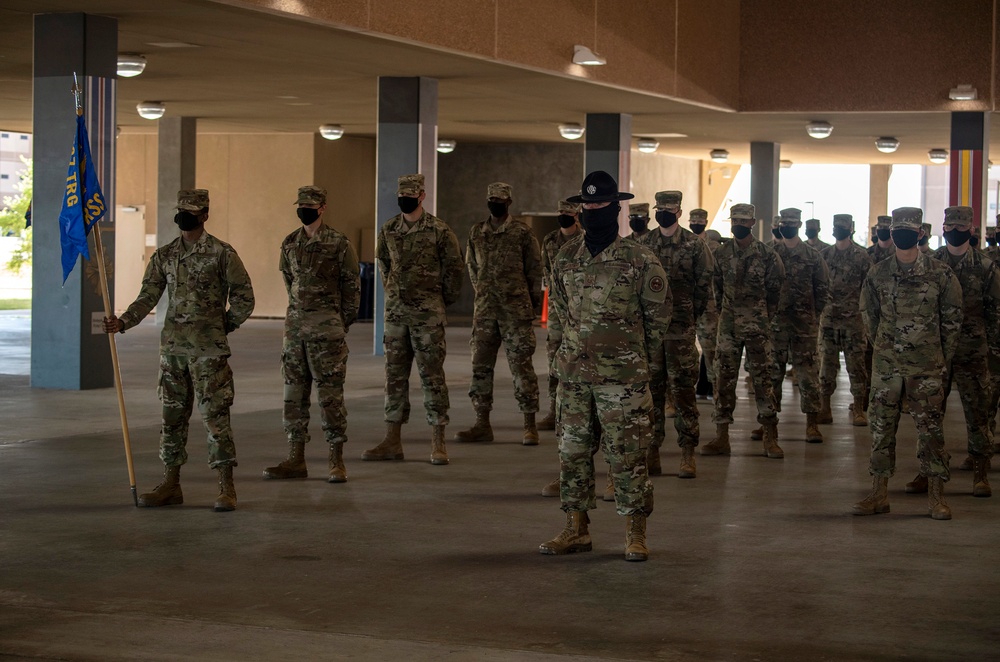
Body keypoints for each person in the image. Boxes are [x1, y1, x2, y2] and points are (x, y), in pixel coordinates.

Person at [540, 171, 670, 562]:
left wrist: (629, 358)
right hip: (574, 377)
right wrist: (561, 364)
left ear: (617, 207)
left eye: (601, 205)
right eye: (588, 205)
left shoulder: (640, 258)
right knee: (573, 453)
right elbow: (559, 319)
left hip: (623, 380)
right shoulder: (566, 258)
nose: (594, 210)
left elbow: (657, 319)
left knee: (628, 455)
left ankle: (635, 532)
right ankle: (576, 528)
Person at [103, 189, 255, 511]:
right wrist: (124, 321)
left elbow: (244, 296)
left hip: (208, 354)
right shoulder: (165, 255)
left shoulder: (221, 253)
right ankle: (171, 483)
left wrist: (221, 326)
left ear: (205, 215)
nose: (184, 216)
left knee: (215, 418)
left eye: (191, 211)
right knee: (171, 418)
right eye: (181, 210)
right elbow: (149, 295)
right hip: (173, 351)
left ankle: (226, 487)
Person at [853, 207, 963, 520]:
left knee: (930, 431)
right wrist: (883, 346)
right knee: (880, 429)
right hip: (887, 366)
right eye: (896, 228)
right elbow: (868, 314)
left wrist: (940, 355)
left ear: (920, 234)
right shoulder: (879, 272)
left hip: (925, 365)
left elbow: (953, 319)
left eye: (908, 229)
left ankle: (936, 497)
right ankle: (879, 493)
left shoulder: (940, 273)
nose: (901, 234)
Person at [363, 174, 465, 465]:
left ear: (421, 196)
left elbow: (454, 269)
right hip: (396, 316)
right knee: (394, 378)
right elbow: (383, 263)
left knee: (432, 377)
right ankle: (392, 439)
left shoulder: (439, 230)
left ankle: (438, 441)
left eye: (410, 194)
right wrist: (393, 292)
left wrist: (439, 300)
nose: (404, 199)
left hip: (427, 316)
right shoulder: (389, 229)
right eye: (401, 194)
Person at [263, 186, 360, 483]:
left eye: (310, 205)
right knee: (293, 396)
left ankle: (336, 460)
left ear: (322, 208)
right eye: (301, 204)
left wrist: (338, 322)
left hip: (326, 333)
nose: (304, 209)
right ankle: (295, 458)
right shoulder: (290, 243)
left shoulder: (338, 243)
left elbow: (352, 288)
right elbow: (289, 283)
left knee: (330, 397)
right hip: (295, 333)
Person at [903, 206, 1000, 498]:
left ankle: (981, 473)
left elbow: (995, 314)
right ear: (943, 229)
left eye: (961, 226)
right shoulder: (929, 264)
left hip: (973, 351)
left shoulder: (986, 267)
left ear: (972, 230)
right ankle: (928, 471)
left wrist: (994, 354)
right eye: (950, 226)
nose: (955, 231)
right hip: (935, 352)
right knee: (929, 415)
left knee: (978, 414)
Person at [456, 182, 543, 445]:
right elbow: (471, 266)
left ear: (509, 203)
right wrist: (484, 291)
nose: (496, 203)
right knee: (480, 367)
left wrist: (530, 302)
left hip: (515, 312)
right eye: (492, 199)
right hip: (485, 312)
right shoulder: (476, 232)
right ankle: (482, 423)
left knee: (522, 368)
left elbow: (534, 270)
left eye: (500, 200)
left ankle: (529, 425)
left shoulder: (522, 233)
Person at [701, 203, 785, 459]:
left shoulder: (767, 255)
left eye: (742, 220)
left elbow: (775, 291)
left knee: (763, 381)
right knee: (723, 380)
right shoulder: (722, 254)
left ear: (751, 223)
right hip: (728, 326)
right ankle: (722, 435)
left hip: (758, 326)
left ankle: (770, 435)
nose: (737, 224)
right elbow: (716, 287)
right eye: (734, 220)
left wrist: (762, 316)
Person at [639, 190, 712, 478]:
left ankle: (687, 452)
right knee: (651, 395)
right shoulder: (644, 244)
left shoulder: (694, 246)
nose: (663, 213)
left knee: (683, 395)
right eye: (660, 208)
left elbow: (704, 286)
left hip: (681, 333)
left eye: (669, 209)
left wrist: (690, 317)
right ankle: (652, 451)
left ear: (679, 212)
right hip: (652, 334)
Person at [765, 208, 829, 443]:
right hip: (776, 325)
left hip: (804, 326)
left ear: (799, 225)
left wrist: (812, 316)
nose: (787, 226)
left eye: (791, 222)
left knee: (808, 375)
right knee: (772, 375)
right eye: (784, 222)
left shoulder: (812, 256)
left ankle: (812, 424)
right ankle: (768, 424)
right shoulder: (770, 253)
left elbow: (822, 289)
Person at [818, 214, 873, 426]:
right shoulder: (824, 256)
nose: (838, 230)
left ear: (851, 229)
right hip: (829, 320)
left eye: (842, 227)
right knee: (827, 366)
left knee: (856, 366)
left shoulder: (862, 257)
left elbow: (869, 290)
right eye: (836, 226)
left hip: (854, 321)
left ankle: (859, 408)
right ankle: (825, 407)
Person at [538, 199, 583, 432]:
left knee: (580, 358)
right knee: (554, 358)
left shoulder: (585, 240)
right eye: (561, 212)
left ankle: (578, 411)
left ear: (576, 215)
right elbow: (545, 270)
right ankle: (554, 409)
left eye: (568, 212)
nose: (564, 215)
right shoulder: (549, 241)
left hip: (579, 309)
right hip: (557, 309)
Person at [691, 211, 720, 400]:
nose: (696, 224)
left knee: (710, 349)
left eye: (700, 222)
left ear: (706, 222)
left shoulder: (715, 248)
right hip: (686, 303)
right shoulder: (684, 243)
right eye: (693, 221)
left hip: (709, 305)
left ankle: (714, 387)